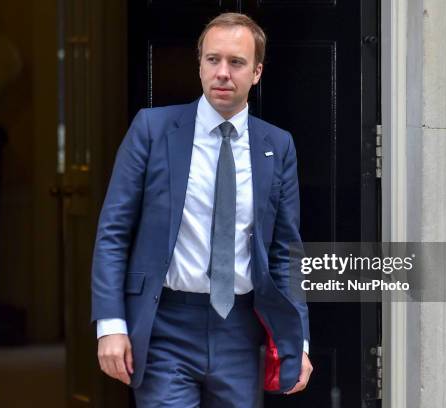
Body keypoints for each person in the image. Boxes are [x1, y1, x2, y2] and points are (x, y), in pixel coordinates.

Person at [91, 12, 312, 407]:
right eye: (213, 60)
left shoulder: (277, 146)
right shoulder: (152, 130)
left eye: (236, 62)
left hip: (240, 333)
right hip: (165, 327)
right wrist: (110, 324)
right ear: (199, 64)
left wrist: (299, 339)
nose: (222, 72)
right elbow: (114, 232)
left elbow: (286, 253)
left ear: (257, 72)